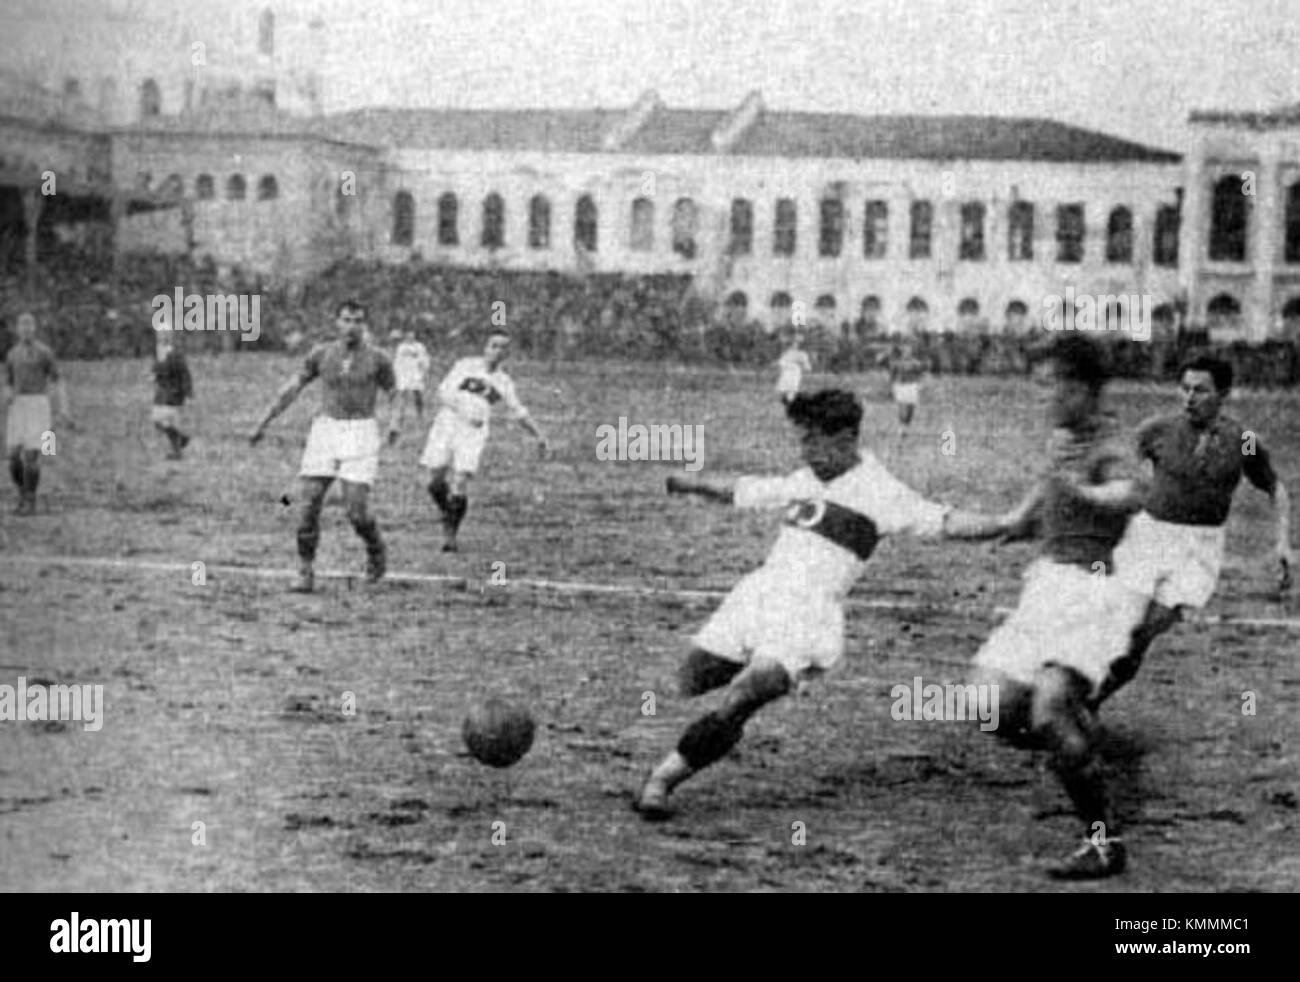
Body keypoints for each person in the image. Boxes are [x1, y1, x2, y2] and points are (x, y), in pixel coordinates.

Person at [634, 388, 1014, 820]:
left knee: (745, 694)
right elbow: (744, 489)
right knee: (690, 678)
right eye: (803, 439)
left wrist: (1005, 523)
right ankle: (729, 706)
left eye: (813, 440)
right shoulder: (805, 480)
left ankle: (662, 780)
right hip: (757, 597)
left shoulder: (881, 490)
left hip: (807, 616)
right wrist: (685, 481)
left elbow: (945, 520)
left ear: (847, 437)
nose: (805, 449)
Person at [969, 334, 1147, 880]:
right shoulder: (1060, 439)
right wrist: (1005, 524)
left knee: (1047, 709)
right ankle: (1081, 739)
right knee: (984, 703)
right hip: (1046, 586)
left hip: (1096, 592)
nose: (1041, 396)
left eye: (1049, 385)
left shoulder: (1112, 442)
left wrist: (1086, 492)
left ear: (1081, 388)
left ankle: (1103, 842)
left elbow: (1128, 493)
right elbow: (1036, 504)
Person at [1092, 355, 1293, 709]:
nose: (1189, 397)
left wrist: (1283, 542)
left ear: (1224, 393)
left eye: (1200, 390)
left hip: (1198, 551)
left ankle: (1093, 702)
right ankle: (1083, 700)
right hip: (1149, 539)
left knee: (1143, 634)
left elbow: (1275, 487)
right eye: (1184, 389)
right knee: (1118, 626)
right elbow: (1114, 460)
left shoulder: (1242, 440)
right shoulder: (1157, 429)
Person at [248, 300, 396, 592]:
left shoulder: (378, 358)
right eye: (346, 320)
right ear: (336, 323)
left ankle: (376, 548)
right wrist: (263, 422)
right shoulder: (321, 354)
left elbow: (395, 393)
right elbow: (292, 388)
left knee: (356, 512)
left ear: (364, 325)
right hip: (326, 430)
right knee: (309, 501)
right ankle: (305, 569)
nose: (351, 326)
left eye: (357, 320)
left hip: (361, 432)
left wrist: (395, 423)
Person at [420, 330, 548, 553]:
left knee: (460, 481)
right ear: (485, 348)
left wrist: (538, 435)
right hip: (447, 424)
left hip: (474, 432)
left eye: (502, 348)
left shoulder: (504, 382)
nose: (497, 351)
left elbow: (518, 411)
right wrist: (463, 409)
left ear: (507, 353)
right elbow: (443, 392)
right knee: (434, 480)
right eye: (494, 345)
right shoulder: (465, 365)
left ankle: (450, 535)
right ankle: (447, 509)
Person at [4, 312, 70, 515]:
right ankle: (22, 493)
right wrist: (6, 395)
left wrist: (63, 407)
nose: (26, 330)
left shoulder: (44, 352)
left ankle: (30, 500)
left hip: (39, 405)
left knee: (33, 454)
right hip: (18, 406)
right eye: (22, 326)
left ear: (35, 328)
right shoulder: (12, 354)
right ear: (17, 330)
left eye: (29, 326)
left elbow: (58, 380)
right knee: (13, 456)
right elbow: (8, 381)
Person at [877, 338, 925, 456]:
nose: (907, 351)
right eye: (905, 349)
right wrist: (890, 388)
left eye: (909, 350)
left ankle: (903, 430)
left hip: (912, 388)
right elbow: (890, 374)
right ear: (902, 351)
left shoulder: (916, 363)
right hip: (901, 388)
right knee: (903, 412)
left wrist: (920, 385)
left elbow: (921, 375)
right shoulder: (896, 363)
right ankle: (899, 435)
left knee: (909, 413)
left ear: (912, 351)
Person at [151, 328, 193, 459]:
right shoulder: (158, 351)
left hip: (174, 392)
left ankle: (178, 448)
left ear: (170, 335)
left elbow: (185, 375)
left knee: (164, 421)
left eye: (164, 334)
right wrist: (154, 376)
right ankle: (181, 440)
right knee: (158, 422)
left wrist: (188, 394)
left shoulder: (176, 353)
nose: (161, 336)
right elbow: (156, 369)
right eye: (159, 334)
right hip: (161, 392)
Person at [390, 328, 432, 440]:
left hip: (415, 374)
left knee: (418, 396)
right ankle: (399, 419)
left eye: (412, 334)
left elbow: (425, 360)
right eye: (408, 334)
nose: (410, 336)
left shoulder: (419, 347)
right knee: (402, 397)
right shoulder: (401, 347)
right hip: (404, 374)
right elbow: (397, 361)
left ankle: (420, 415)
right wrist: (396, 374)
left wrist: (424, 371)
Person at [774, 326, 812, 405]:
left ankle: (790, 402)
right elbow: (781, 363)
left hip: (794, 373)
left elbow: (807, 366)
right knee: (783, 389)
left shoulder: (802, 354)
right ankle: (785, 402)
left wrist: (805, 366)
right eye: (793, 343)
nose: (794, 345)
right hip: (787, 372)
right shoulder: (787, 353)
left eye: (796, 343)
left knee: (791, 389)